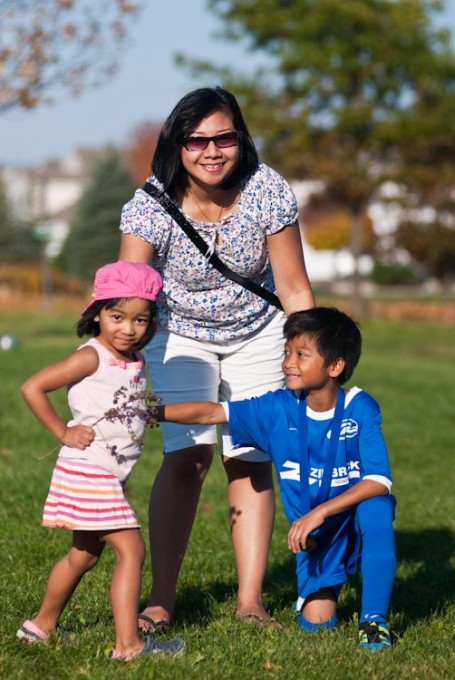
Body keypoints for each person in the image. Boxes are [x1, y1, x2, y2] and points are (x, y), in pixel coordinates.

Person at [118, 86, 316, 631]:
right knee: (189, 457)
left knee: (250, 456)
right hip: (178, 333)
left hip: (259, 330)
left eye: (223, 137)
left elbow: (295, 287)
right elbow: (129, 294)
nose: (211, 150)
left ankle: (251, 601)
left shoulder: (266, 190)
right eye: (196, 139)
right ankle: (161, 598)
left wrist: (309, 353)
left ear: (240, 138)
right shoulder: (149, 206)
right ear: (177, 145)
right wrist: (113, 360)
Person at [148, 307, 397, 651]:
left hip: (344, 516)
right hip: (317, 537)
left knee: (377, 511)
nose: (288, 363)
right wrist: (148, 412)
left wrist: (320, 511)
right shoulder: (278, 408)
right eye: (286, 352)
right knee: (317, 625)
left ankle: (374, 621)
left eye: (301, 354)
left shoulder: (360, 406)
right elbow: (211, 412)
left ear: (335, 366)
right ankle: (325, 589)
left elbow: (379, 480)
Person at [16, 261, 185, 661]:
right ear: (97, 313)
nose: (128, 328)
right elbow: (33, 386)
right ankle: (129, 646)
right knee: (131, 551)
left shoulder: (135, 359)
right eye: (117, 316)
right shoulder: (92, 356)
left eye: (140, 320)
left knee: (84, 555)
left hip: (105, 473)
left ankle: (39, 627)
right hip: (88, 469)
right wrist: (63, 432)